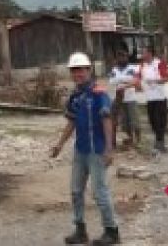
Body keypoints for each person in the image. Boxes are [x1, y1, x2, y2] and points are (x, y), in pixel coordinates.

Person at [51, 52, 119, 245]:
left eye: (81, 70)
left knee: (99, 192)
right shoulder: (75, 96)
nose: (78, 74)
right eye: (74, 70)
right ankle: (80, 230)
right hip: (81, 150)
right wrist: (59, 144)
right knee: (75, 190)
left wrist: (109, 148)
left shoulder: (99, 93)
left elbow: (107, 120)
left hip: (97, 150)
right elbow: (71, 122)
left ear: (89, 70)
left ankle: (112, 231)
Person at [137, 45, 168, 154]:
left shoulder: (159, 63)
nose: (142, 55)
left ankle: (160, 142)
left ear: (150, 53)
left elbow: (166, 78)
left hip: (160, 97)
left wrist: (155, 81)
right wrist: (135, 85)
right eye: (142, 53)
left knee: (160, 121)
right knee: (152, 121)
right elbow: (137, 77)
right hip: (150, 98)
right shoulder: (142, 65)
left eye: (144, 53)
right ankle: (158, 141)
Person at [108, 50, 141, 150]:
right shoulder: (114, 70)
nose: (122, 59)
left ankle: (138, 141)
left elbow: (136, 81)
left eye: (124, 57)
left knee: (134, 120)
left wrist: (121, 81)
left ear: (127, 58)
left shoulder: (133, 68)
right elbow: (112, 81)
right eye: (120, 57)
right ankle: (128, 141)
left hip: (131, 98)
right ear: (117, 58)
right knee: (124, 122)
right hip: (119, 100)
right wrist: (126, 79)